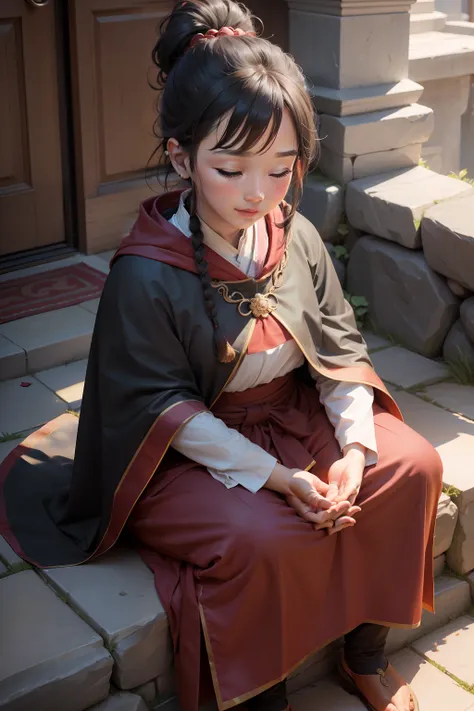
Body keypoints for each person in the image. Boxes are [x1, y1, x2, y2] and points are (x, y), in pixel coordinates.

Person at [0, 2, 443, 710]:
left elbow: (337, 345)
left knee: (412, 466)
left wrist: (354, 451)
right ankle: (260, 695)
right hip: (182, 449)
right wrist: (278, 478)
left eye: (280, 168)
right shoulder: (145, 271)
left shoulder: (289, 231)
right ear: (182, 156)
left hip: (289, 413)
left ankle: (364, 651)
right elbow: (158, 411)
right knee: (266, 538)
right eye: (231, 168)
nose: (258, 194)